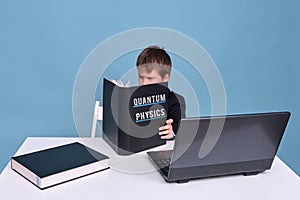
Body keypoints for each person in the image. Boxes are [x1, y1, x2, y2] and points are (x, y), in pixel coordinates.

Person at [136, 46, 186, 140]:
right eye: (141, 77)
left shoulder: (175, 100)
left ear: (165, 78)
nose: (144, 83)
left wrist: (172, 132)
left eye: (150, 78)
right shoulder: (134, 98)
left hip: (162, 149)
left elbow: (180, 128)